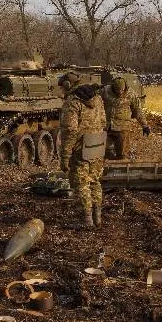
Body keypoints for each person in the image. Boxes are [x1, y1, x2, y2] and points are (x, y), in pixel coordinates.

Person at [57, 72, 107, 229]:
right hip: (98, 144)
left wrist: (65, 156)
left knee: (81, 183)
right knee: (95, 180)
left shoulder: (73, 102)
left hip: (81, 148)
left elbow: (69, 130)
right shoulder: (97, 98)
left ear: (66, 85)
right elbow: (104, 121)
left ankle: (86, 221)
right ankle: (97, 218)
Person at [101, 76, 150, 160]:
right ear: (113, 87)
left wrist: (145, 125)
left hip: (122, 128)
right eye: (117, 91)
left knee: (122, 155)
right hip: (107, 127)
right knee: (103, 151)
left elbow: (137, 110)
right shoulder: (105, 91)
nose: (120, 93)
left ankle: (120, 169)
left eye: (122, 91)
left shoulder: (131, 94)